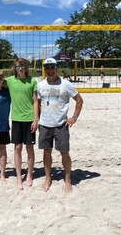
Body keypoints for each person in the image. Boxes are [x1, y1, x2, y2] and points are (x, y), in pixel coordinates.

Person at [37, 58, 83, 193]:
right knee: (46, 152)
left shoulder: (66, 84)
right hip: (45, 124)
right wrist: (37, 119)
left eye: (52, 68)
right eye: (47, 68)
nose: (50, 70)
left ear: (56, 68)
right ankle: (48, 178)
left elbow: (79, 100)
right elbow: (37, 104)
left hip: (61, 125)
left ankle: (67, 180)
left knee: (64, 153)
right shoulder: (40, 85)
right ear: (44, 69)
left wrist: (74, 118)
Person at [6, 58, 38, 189]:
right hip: (16, 119)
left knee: (29, 148)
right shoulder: (9, 81)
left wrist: (36, 119)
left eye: (22, 67)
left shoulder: (32, 81)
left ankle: (29, 174)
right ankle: (19, 176)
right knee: (17, 148)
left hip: (29, 119)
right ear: (14, 68)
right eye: (18, 67)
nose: (20, 69)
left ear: (26, 68)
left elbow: (36, 101)